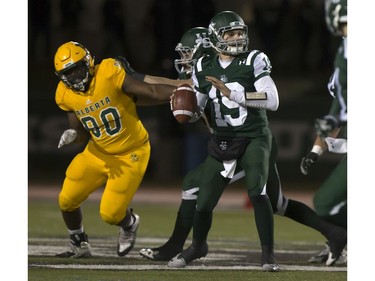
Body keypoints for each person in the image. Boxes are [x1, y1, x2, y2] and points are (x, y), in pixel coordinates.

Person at [130, 25, 346, 268]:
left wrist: (226, 95)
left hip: (251, 142)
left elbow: (269, 98)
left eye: (189, 53)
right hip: (230, 143)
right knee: (277, 204)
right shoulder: (202, 72)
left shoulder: (241, 63)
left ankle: (176, 245)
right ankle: (336, 233)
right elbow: (174, 89)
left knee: (196, 184)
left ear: (205, 46)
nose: (185, 59)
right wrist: (182, 107)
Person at [53, 41, 176, 258]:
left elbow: (150, 90)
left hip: (131, 152)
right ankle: (79, 244)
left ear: (89, 62)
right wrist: (73, 135)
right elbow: (80, 131)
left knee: (110, 214)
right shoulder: (64, 93)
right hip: (98, 151)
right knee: (66, 199)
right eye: (68, 74)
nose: (74, 77)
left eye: (78, 70)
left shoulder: (108, 71)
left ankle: (129, 224)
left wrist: (180, 91)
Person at [300, 0, 347, 265]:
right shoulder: (345, 55)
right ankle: (339, 240)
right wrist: (316, 150)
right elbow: (338, 111)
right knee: (328, 203)